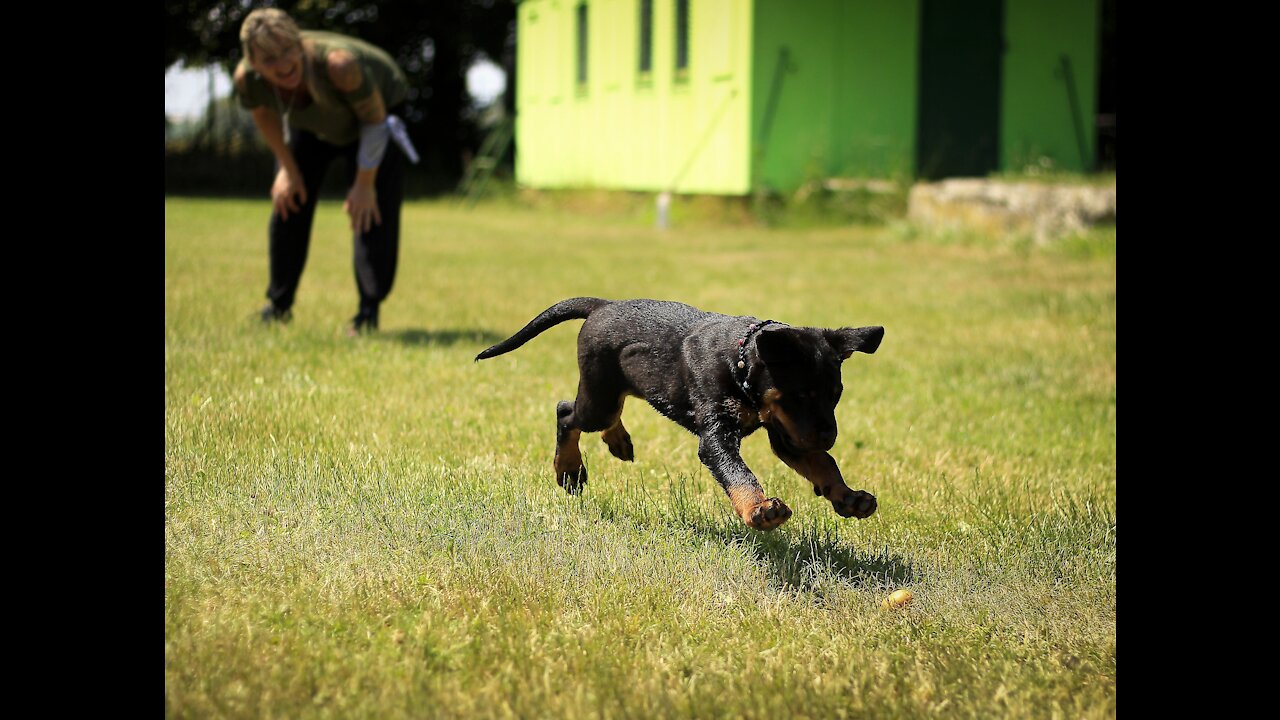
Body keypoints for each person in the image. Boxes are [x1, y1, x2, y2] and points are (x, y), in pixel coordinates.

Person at [235, 8, 418, 334]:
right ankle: (278, 305)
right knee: (287, 201)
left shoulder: (339, 65)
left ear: (299, 42)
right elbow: (263, 114)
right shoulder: (248, 79)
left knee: (370, 211)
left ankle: (367, 312)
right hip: (314, 124)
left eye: (288, 51)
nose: (283, 64)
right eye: (269, 59)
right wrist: (286, 168)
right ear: (253, 61)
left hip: (375, 119)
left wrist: (364, 184)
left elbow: (375, 121)